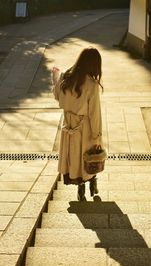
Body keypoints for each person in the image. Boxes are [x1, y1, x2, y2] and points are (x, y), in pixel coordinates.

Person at [52, 47, 103, 201]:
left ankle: (80, 188)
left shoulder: (66, 78)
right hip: (85, 127)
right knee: (90, 157)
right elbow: (95, 114)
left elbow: (57, 96)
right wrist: (97, 136)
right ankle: (92, 182)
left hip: (69, 125)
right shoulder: (92, 85)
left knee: (74, 158)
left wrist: (55, 78)